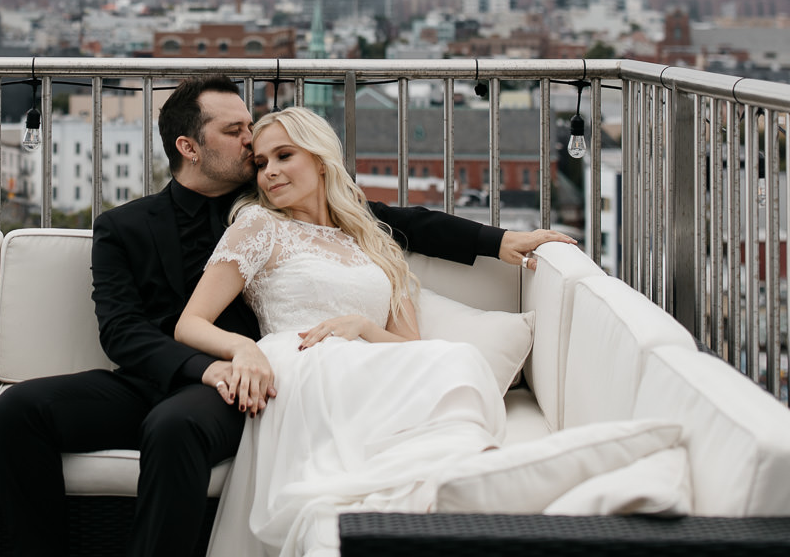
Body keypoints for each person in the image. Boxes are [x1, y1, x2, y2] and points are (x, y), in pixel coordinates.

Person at [0, 75, 572, 557]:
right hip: (172, 374)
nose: (252, 145)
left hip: (257, 384)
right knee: (18, 410)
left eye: (257, 134)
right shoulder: (123, 227)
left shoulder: (276, 205)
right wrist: (208, 364)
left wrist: (501, 240)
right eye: (237, 132)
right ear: (189, 147)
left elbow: (398, 222)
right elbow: (122, 331)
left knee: (175, 430)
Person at [177, 106, 570, 557]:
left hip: (370, 361)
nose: (270, 173)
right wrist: (244, 350)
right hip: (304, 361)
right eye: (262, 164)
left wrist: (362, 326)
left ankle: (449, 512)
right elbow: (191, 323)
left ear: (321, 160)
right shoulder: (258, 226)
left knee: (459, 359)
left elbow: (410, 348)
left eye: (284, 155)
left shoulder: (373, 240)